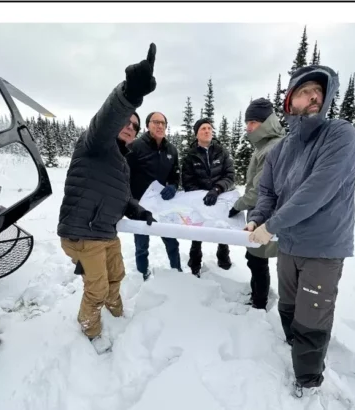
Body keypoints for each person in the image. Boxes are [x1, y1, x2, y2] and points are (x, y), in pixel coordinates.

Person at [246, 65, 355, 397]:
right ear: (289, 102)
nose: (313, 96)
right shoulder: (280, 149)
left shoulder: (340, 135)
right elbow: (267, 192)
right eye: (304, 91)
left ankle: (308, 381)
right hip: (289, 245)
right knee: (288, 305)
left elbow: (317, 190)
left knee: (312, 318)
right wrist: (257, 219)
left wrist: (272, 226)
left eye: (318, 92)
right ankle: (293, 347)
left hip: (324, 248)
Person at [57, 44, 158, 353]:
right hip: (83, 232)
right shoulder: (95, 143)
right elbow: (106, 120)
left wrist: (139, 211)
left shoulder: (120, 161)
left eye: (135, 127)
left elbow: (123, 197)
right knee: (97, 286)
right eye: (127, 122)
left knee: (118, 274)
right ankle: (91, 329)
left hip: (105, 232)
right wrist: (129, 93)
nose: (130, 128)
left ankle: (116, 313)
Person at [228, 98, 285, 309]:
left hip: (266, 215)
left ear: (266, 121)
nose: (248, 127)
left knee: (257, 260)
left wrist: (238, 205)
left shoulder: (272, 148)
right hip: (261, 214)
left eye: (253, 122)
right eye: (247, 122)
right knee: (255, 258)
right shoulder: (264, 145)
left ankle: (259, 303)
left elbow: (260, 191)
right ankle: (257, 294)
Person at [125, 111, 182, 280]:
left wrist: (172, 186)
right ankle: (143, 273)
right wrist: (131, 203)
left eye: (163, 123)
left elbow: (175, 174)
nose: (159, 126)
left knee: (172, 242)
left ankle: (177, 272)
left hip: (163, 206)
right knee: (141, 244)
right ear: (147, 125)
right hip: (140, 206)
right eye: (155, 122)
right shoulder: (134, 147)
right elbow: (125, 176)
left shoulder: (171, 150)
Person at [181, 118, 235, 277]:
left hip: (220, 197)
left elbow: (230, 176)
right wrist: (201, 196)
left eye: (209, 128)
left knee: (222, 227)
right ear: (196, 134)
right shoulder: (190, 156)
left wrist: (217, 189)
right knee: (197, 231)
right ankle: (195, 261)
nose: (207, 131)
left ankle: (223, 257)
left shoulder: (221, 151)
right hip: (199, 201)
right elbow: (187, 181)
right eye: (203, 128)